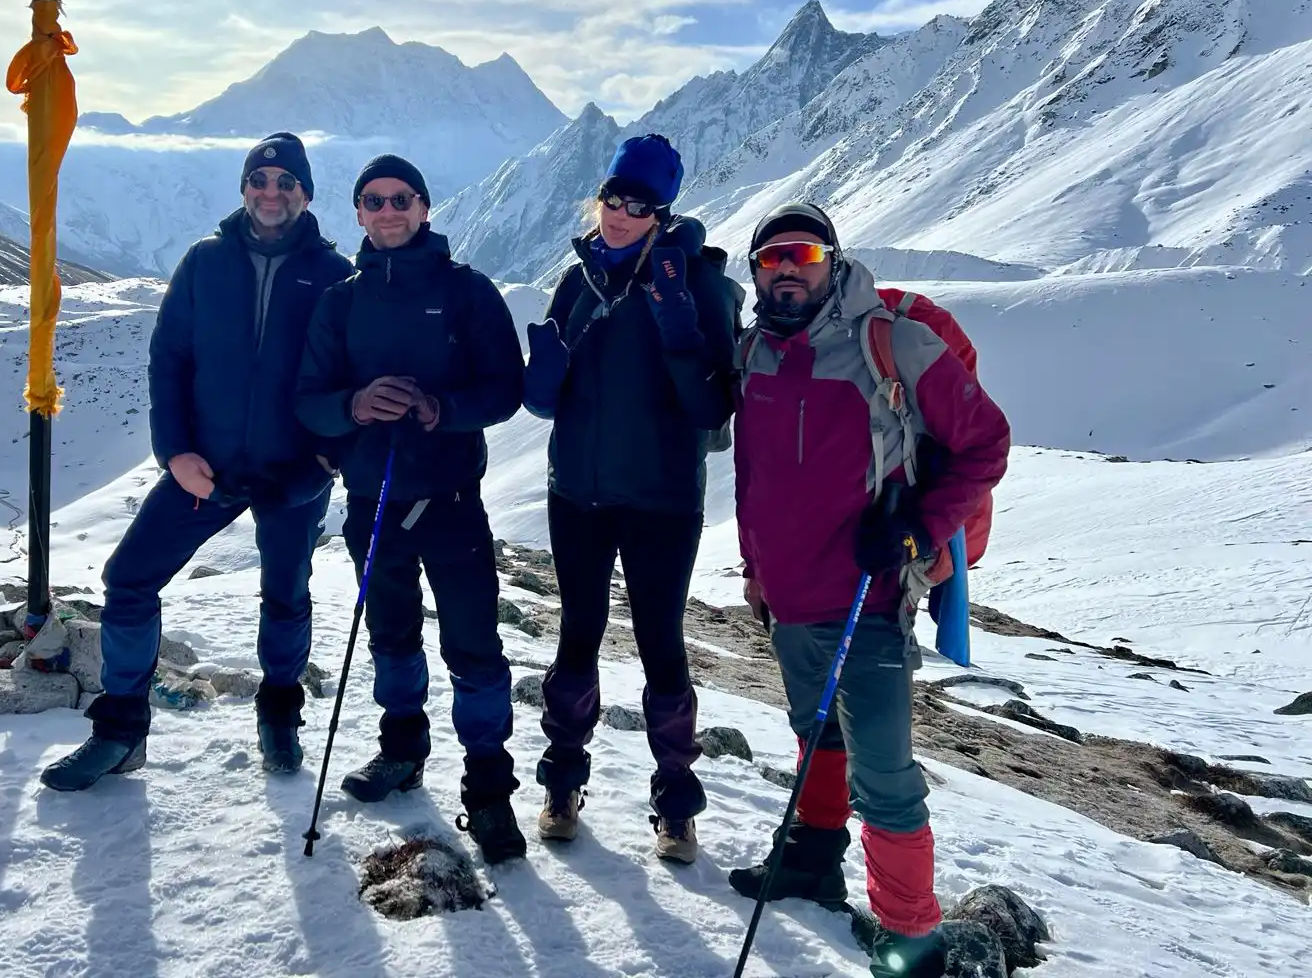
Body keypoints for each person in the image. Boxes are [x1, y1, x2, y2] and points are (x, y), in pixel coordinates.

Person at [726, 202, 1010, 978]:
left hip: (870, 595)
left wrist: (920, 531)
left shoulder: (892, 344)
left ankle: (911, 936)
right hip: (787, 595)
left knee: (883, 775)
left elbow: (985, 442)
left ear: (833, 262)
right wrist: (755, 567)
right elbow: (752, 476)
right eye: (771, 258)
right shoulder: (753, 352)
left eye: (804, 255)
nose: (787, 269)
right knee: (816, 731)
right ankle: (813, 858)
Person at [41, 132, 354, 792]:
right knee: (128, 579)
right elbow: (170, 360)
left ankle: (279, 716)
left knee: (286, 595)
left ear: (305, 194)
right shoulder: (205, 263)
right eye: (259, 181)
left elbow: (352, 384)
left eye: (284, 183)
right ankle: (120, 734)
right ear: (244, 188)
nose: (270, 194)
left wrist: (322, 464)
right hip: (202, 468)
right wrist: (174, 452)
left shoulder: (333, 276)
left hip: (292, 472)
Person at [295, 153, 527, 863]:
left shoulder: (467, 292)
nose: (388, 211)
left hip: (452, 501)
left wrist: (438, 409)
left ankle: (489, 789)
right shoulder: (341, 299)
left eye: (402, 199)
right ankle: (403, 749)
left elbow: (505, 387)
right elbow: (309, 398)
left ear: (425, 208)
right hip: (372, 501)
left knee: (475, 648)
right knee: (391, 636)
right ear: (358, 213)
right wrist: (355, 406)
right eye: (374, 200)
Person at [520, 133, 740, 862]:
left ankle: (677, 804)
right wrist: (542, 381)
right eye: (611, 197)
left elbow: (713, 410)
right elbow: (549, 406)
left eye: (636, 202)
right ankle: (561, 784)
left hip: (662, 498)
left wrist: (679, 328)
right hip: (577, 492)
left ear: (662, 208)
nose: (618, 212)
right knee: (576, 635)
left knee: (660, 644)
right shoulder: (577, 279)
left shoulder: (695, 280)